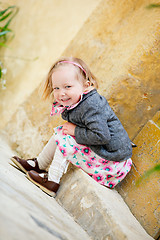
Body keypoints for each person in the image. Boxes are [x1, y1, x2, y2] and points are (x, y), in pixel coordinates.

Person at [11, 57, 132, 197]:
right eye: (56, 88)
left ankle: (52, 180)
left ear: (86, 85)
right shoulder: (79, 101)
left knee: (66, 138)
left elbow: (102, 136)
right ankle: (39, 164)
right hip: (105, 154)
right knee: (63, 132)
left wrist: (75, 131)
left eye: (67, 87)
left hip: (112, 163)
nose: (61, 93)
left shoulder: (91, 106)